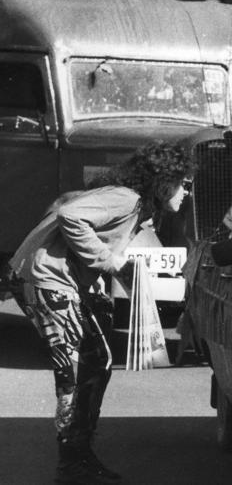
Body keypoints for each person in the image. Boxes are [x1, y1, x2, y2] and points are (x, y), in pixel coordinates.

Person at [9, 140, 194, 485]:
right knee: (75, 375)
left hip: (56, 281)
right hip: (46, 281)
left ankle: (80, 455)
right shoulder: (127, 198)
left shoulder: (136, 205)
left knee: (98, 362)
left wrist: (101, 274)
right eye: (184, 183)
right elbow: (69, 215)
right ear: (164, 181)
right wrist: (107, 262)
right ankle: (70, 465)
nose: (186, 192)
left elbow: (64, 203)